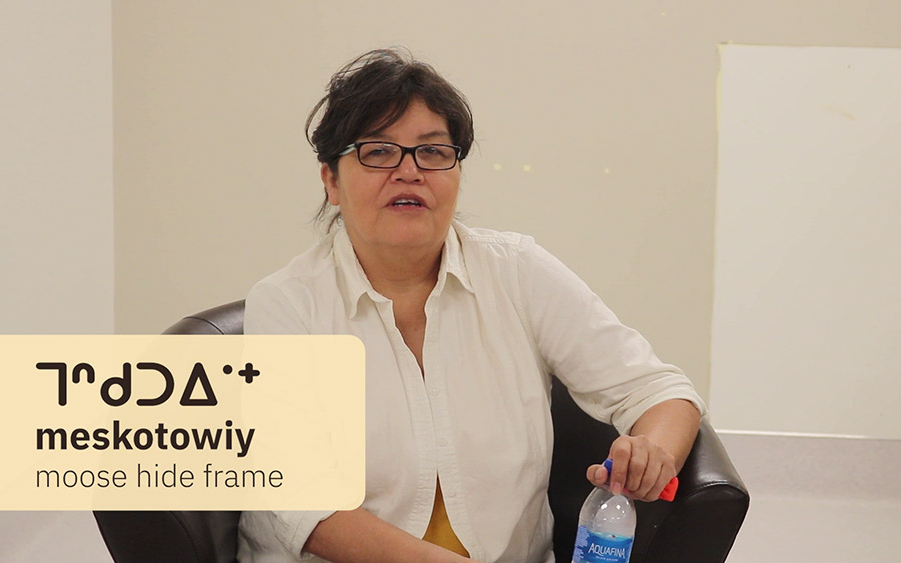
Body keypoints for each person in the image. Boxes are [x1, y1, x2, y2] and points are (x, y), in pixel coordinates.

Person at [238, 48, 705, 563]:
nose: (409, 171)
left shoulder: (518, 272)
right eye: (379, 151)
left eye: (433, 151)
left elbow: (659, 390)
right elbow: (302, 504)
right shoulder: (287, 305)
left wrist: (652, 452)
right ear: (331, 180)